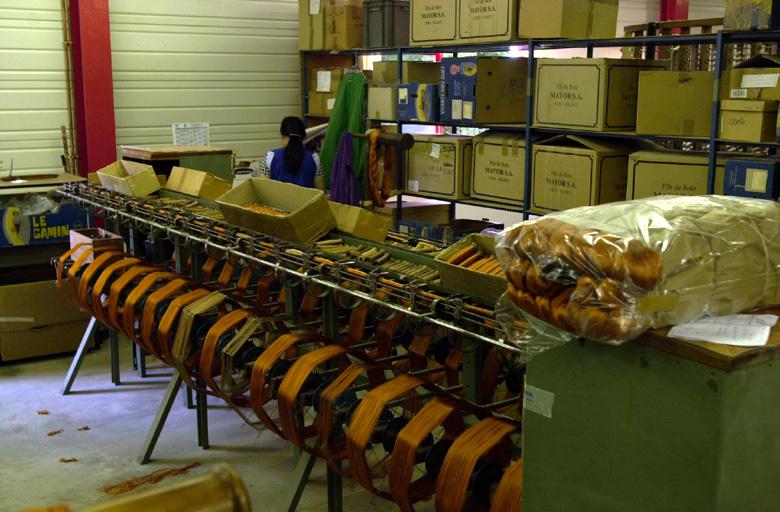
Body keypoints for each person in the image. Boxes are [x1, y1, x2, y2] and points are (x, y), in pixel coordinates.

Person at [256, 116, 324, 190]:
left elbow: (263, 189)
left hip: (277, 201)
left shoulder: (270, 156)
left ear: (282, 135)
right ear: (303, 136)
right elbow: (321, 191)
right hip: (307, 201)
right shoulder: (314, 158)